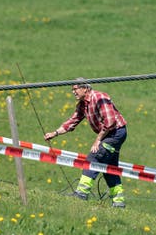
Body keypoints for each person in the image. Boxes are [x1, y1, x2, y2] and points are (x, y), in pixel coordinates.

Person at [44, 79, 128, 208]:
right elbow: (73, 121)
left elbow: (110, 122)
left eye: (75, 89)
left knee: (94, 157)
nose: (73, 92)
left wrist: (98, 140)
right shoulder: (83, 104)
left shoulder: (100, 97)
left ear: (85, 89)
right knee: (109, 168)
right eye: (72, 89)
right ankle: (119, 202)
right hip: (108, 134)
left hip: (116, 133)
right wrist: (54, 133)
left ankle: (82, 194)